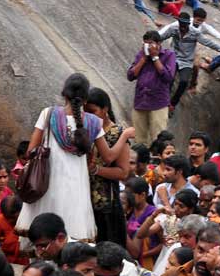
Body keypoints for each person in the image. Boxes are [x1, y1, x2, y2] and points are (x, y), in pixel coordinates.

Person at [16, 74, 134, 242]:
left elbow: (30, 151)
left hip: (47, 185)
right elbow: (108, 157)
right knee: (70, 241)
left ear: (64, 94)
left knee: (42, 238)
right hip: (76, 190)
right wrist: (123, 136)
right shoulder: (94, 122)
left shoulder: (48, 114)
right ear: (85, 100)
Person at [85, 88, 130, 246]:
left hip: (106, 206)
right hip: (83, 203)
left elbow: (123, 172)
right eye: (85, 112)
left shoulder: (117, 134)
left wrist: (96, 170)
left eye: (92, 111)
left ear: (105, 109)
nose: (88, 116)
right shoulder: (84, 130)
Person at [158, 12, 220, 114]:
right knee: (169, 79)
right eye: (181, 25)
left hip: (187, 61)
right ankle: (164, 102)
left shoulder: (195, 32)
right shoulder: (174, 29)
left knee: (184, 81)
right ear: (179, 23)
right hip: (174, 57)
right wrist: (151, 41)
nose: (183, 28)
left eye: (185, 26)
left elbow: (208, 42)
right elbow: (160, 37)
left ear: (188, 24)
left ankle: (173, 104)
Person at [127, 31, 176, 145]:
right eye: (145, 44)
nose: (148, 47)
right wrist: (143, 59)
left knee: (158, 140)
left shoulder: (169, 55)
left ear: (159, 43)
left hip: (158, 103)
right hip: (141, 102)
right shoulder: (141, 55)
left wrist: (155, 57)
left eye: (151, 43)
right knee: (139, 140)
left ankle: (155, 161)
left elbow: (168, 77)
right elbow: (130, 75)